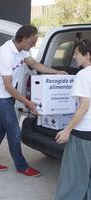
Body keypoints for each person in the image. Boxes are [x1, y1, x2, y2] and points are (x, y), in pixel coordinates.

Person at [0, 24, 67, 176]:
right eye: (32, 41)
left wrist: (56, 73)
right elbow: (8, 86)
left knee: (0, 128)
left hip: (5, 95)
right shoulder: (6, 54)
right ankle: (22, 166)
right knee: (14, 131)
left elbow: (34, 64)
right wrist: (28, 102)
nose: (34, 45)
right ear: (23, 38)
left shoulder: (22, 50)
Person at [55, 39, 91, 200]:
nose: (75, 57)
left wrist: (67, 129)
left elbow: (83, 107)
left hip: (83, 133)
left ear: (88, 55)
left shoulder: (83, 75)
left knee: (74, 174)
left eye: (77, 53)